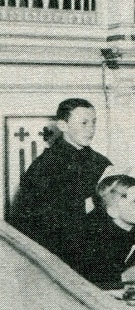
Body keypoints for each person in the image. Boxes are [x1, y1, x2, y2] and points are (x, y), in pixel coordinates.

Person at [10, 98, 112, 268]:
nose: (91, 129)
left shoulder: (101, 163)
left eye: (94, 122)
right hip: (56, 257)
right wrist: (95, 199)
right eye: (84, 123)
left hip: (94, 254)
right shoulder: (44, 165)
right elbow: (37, 219)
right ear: (62, 125)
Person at [78, 175, 135, 286]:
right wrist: (124, 277)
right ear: (113, 211)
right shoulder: (93, 239)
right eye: (134, 201)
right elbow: (86, 285)